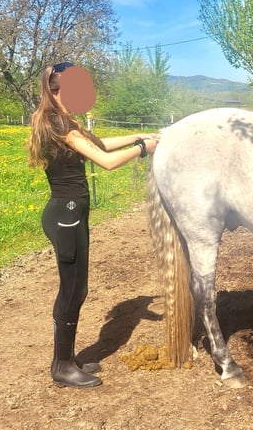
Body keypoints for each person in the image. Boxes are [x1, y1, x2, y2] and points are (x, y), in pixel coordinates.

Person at [27, 61, 159, 388]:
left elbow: (101, 145)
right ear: (59, 90)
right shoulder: (59, 124)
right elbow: (108, 162)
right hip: (66, 215)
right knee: (73, 291)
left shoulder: (63, 120)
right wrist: (144, 149)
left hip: (68, 213)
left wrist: (138, 135)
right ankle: (61, 366)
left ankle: (68, 359)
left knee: (75, 289)